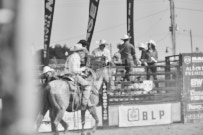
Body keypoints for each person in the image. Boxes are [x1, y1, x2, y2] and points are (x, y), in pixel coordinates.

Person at [64, 43, 94, 109]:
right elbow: (74, 69)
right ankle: (84, 104)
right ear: (79, 51)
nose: (83, 53)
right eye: (82, 51)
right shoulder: (76, 57)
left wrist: (82, 73)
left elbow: (71, 69)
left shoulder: (71, 56)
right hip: (73, 76)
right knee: (88, 86)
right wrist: (84, 68)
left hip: (67, 75)